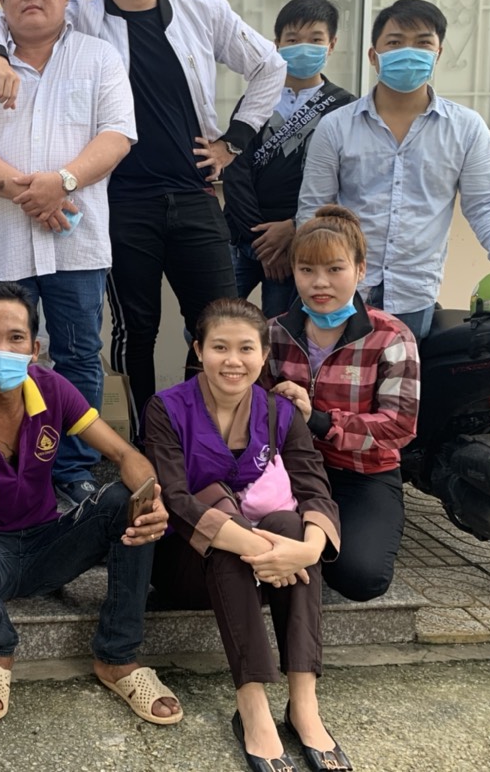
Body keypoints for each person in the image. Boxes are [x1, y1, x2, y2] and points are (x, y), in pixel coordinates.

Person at [0, 0, 286, 437]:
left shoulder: (203, 11)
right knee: (135, 330)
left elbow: (269, 65)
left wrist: (234, 140)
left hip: (194, 193)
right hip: (124, 201)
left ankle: (207, 435)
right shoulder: (83, 15)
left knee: (219, 322)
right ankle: (148, 438)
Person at [0, 283, 181, 726]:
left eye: (15, 338)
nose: (2, 349)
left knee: (128, 501)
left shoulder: (51, 388)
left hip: (50, 543)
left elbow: (123, 454)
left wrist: (151, 498)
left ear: (34, 349)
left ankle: (117, 657)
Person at [0, 0, 137, 507]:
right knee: (3, 360)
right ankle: (9, 467)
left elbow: (117, 135)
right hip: (5, 244)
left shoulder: (98, 58)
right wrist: (33, 193)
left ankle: (72, 470)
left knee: (76, 357)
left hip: (78, 244)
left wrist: (64, 181)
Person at [144, 299, 348, 772]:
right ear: (198, 350)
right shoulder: (167, 408)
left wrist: (306, 550)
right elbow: (175, 497)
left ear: (264, 355)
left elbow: (314, 486)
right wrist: (257, 546)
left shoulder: (280, 411)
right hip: (187, 565)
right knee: (226, 528)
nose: (232, 361)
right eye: (219, 347)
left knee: (292, 525)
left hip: (271, 567)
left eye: (245, 348)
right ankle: (252, 704)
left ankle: (304, 703)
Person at [298, 0, 490, 341]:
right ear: (373, 56)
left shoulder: (466, 128)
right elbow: (314, 210)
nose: (408, 52)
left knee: (405, 376)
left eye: (423, 43)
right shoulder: (336, 126)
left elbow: (487, 203)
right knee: (337, 376)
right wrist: (317, 276)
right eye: (395, 42)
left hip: (413, 293)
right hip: (343, 291)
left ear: (438, 54)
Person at [267, 206, 419, 601]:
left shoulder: (391, 337)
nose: (320, 283)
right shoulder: (273, 334)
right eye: (306, 270)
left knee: (361, 577)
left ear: (360, 269)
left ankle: (322, 547)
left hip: (362, 473)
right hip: (293, 471)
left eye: (335, 269)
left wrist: (319, 420)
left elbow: (399, 426)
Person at [222, 0, 354, 317]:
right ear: (276, 44)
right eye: (293, 40)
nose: (303, 47)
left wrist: (294, 230)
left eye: (315, 39)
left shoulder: (344, 108)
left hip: (303, 242)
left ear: (332, 44)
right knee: (209, 320)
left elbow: (344, 182)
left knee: (283, 327)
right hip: (244, 237)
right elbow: (235, 168)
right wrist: (262, 242)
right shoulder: (256, 99)